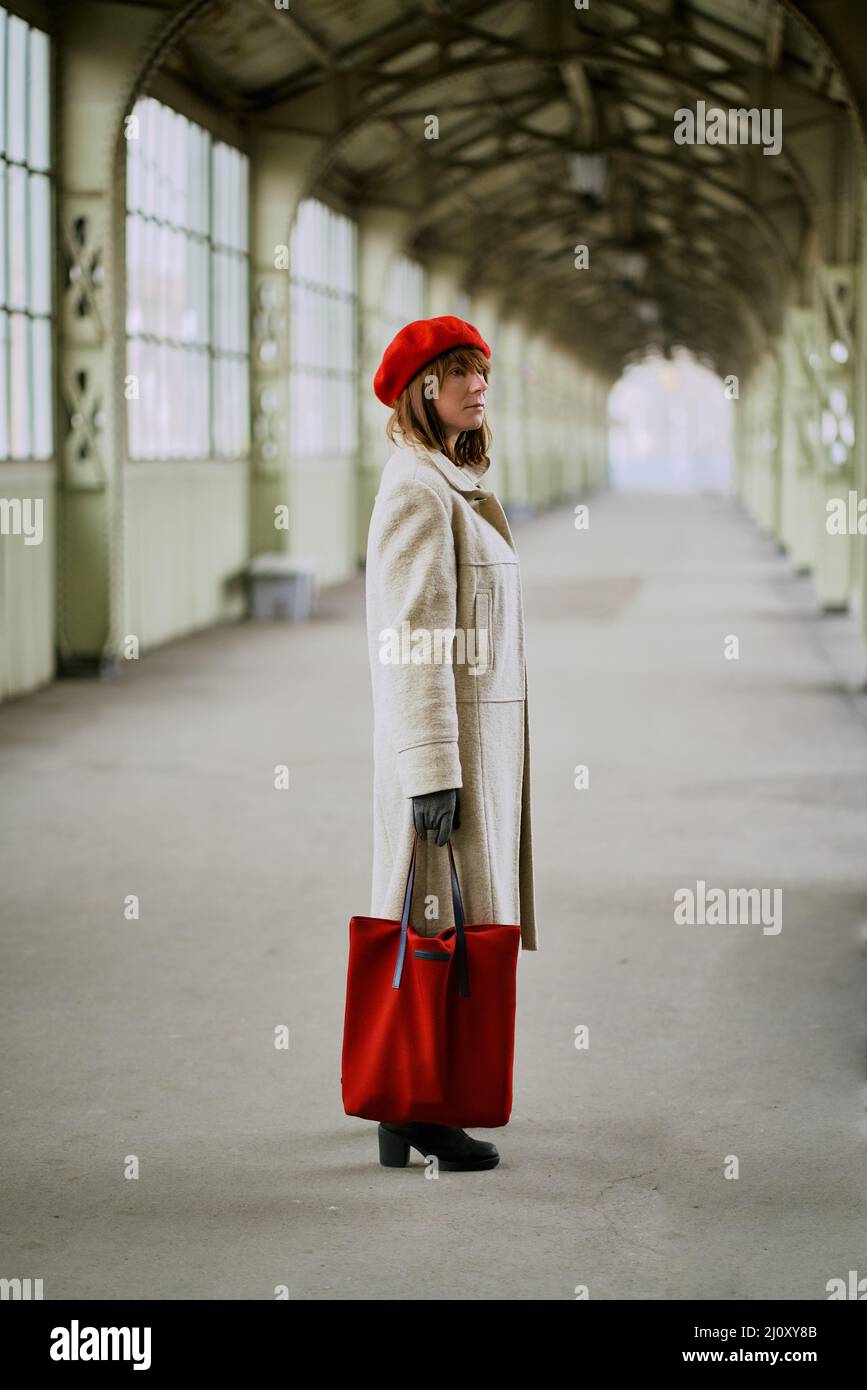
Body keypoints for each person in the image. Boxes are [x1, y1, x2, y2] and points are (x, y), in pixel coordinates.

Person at [365, 314, 538, 1172]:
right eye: (463, 372)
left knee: (450, 924)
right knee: (436, 924)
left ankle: (419, 1105)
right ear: (424, 387)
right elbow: (412, 639)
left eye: (484, 372)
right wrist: (432, 768)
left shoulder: (447, 482)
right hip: (449, 753)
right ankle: (415, 1112)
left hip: (475, 744)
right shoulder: (418, 491)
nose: (480, 385)